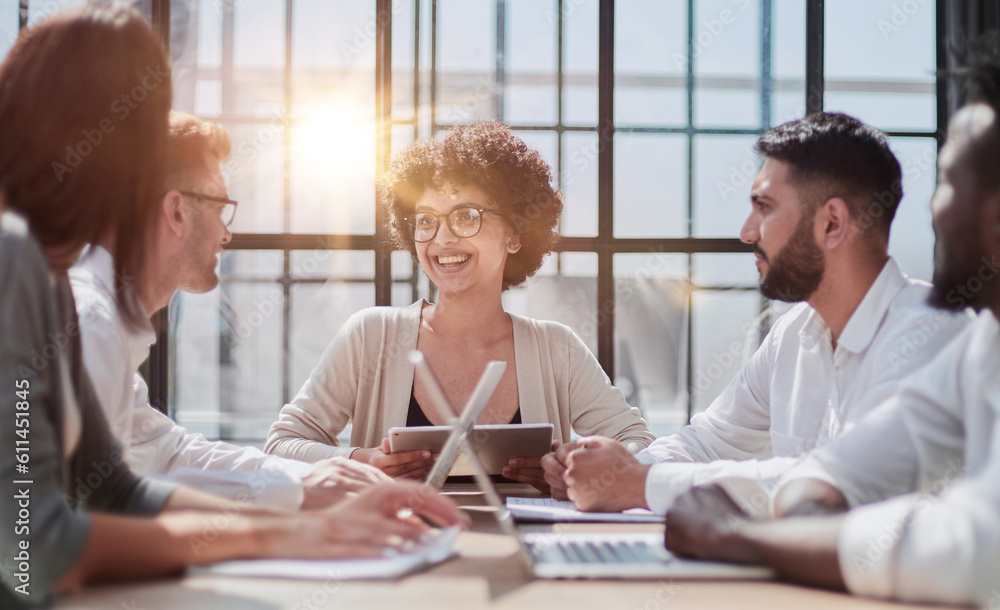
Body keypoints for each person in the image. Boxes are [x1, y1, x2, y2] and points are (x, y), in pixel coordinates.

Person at [0, 6, 464, 608]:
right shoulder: (15, 260)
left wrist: (304, 526)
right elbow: (33, 550)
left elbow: (113, 487)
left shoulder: (51, 280)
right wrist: (289, 531)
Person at [662, 59, 1000, 607]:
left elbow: (968, 552)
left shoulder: (937, 334)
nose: (934, 212)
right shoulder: (983, 347)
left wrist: (743, 536)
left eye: (949, 184)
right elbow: (834, 472)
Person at [541, 112, 972, 514]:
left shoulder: (932, 335)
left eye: (764, 207)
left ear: (832, 223)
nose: (747, 233)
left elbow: (843, 482)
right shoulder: (793, 334)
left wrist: (640, 483)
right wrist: (604, 474)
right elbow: (708, 441)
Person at [266, 121, 654, 486]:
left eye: (466, 216)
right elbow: (283, 445)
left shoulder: (557, 349)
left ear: (515, 234)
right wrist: (358, 462)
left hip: (526, 550)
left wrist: (571, 464)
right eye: (426, 220)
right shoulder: (372, 336)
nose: (442, 238)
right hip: (401, 547)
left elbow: (638, 444)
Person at [71, 111, 388, 510]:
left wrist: (318, 475)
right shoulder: (90, 327)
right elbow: (96, 506)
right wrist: (296, 494)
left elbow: (169, 453)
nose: (227, 233)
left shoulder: (103, 324)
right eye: (221, 207)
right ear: (176, 212)